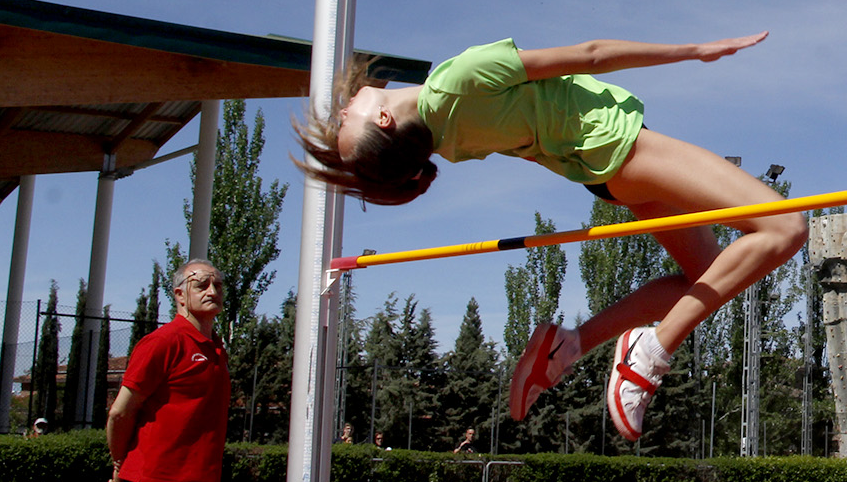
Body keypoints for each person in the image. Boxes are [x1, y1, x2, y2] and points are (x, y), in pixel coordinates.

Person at [298, 32, 805, 444]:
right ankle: (650, 352)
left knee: (707, 279)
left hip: (606, 174)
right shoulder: (456, 82)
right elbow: (592, 54)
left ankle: (568, 345)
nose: (343, 110)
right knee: (785, 227)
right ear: (384, 119)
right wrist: (692, 50)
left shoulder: (446, 140)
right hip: (621, 147)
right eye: (348, 121)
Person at [106, 260, 230, 482]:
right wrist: (119, 463)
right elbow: (120, 412)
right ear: (180, 295)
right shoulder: (163, 342)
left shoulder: (217, 349)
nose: (212, 292)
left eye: (217, 285)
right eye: (202, 285)